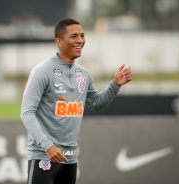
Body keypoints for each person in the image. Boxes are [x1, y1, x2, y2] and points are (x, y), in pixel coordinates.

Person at [21, 18, 132, 184]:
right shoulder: (42, 71)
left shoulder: (84, 74)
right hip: (43, 157)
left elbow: (95, 104)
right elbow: (27, 113)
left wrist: (115, 85)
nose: (80, 40)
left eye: (82, 35)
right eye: (74, 36)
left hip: (69, 160)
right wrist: (47, 146)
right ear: (59, 41)